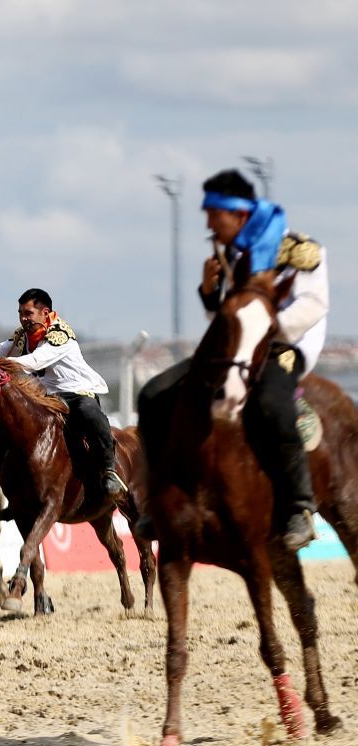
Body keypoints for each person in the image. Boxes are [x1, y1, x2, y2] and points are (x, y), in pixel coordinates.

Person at [138, 168, 329, 550]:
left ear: (239, 214)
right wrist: (210, 292)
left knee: (273, 404)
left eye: (213, 214)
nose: (208, 223)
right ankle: (159, 499)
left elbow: (313, 306)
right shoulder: (230, 254)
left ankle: (299, 508)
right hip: (232, 348)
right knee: (154, 395)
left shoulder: (299, 250)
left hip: (282, 345)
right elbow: (222, 315)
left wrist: (262, 330)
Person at [0, 288, 127, 499]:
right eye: (20, 314)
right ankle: (11, 488)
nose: (23, 319)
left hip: (76, 391)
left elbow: (35, 361)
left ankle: (109, 470)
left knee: (90, 412)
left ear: (45, 313)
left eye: (28, 313)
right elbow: (0, 349)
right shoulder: (23, 335)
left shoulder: (61, 334)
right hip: (46, 396)